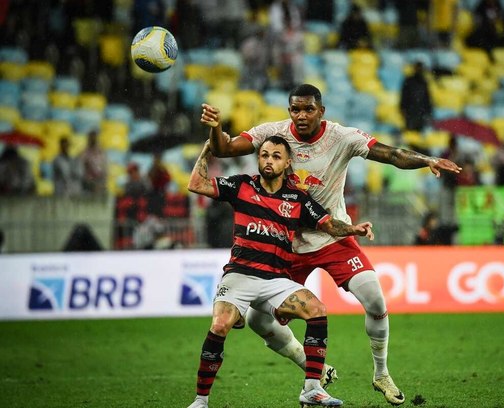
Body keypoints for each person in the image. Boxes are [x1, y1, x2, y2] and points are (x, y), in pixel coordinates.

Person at [199, 83, 462, 406]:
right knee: (257, 320)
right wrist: (216, 129)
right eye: (295, 109)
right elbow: (224, 148)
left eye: (309, 109)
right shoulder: (274, 134)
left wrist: (425, 159)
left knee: (376, 301)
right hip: (288, 245)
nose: (301, 115)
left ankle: (381, 374)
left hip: (332, 233)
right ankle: (313, 369)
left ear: (321, 111)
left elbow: (391, 154)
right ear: (289, 111)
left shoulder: (341, 137)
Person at [185, 136, 375, 408]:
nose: (268, 161)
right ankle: (200, 401)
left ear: (287, 163)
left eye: (276, 156)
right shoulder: (241, 185)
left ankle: (312, 389)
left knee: (317, 310)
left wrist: (353, 229)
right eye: (264, 155)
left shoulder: (297, 198)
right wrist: (206, 149)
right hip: (240, 275)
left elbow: (328, 224)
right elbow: (196, 184)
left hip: (276, 280)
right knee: (219, 325)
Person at [400, 61, 433, 132]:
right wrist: (403, 108)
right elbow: (404, 95)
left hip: (420, 111)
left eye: (421, 68)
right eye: (418, 68)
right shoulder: (409, 80)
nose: (419, 70)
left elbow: (427, 97)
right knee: (410, 131)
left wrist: (428, 111)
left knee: (419, 132)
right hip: (411, 110)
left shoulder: (424, 82)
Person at [79, 130, 108, 195]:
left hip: (100, 182)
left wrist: (103, 179)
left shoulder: (101, 152)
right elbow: (81, 169)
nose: (93, 140)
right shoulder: (84, 153)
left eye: (94, 138)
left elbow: (104, 168)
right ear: (88, 139)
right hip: (88, 183)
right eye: (91, 138)